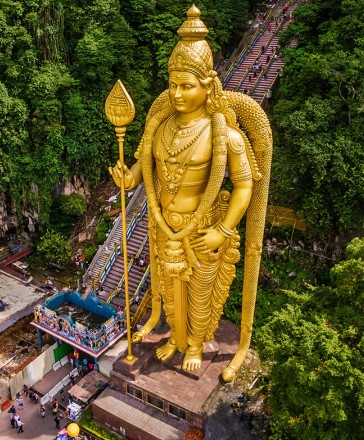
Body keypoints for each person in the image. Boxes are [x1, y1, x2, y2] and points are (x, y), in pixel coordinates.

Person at [108, 5, 271, 378]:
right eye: (173, 85)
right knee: (168, 289)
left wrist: (225, 229)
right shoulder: (159, 127)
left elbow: (245, 185)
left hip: (203, 228)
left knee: (199, 295)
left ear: (208, 85)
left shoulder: (224, 135)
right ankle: (174, 338)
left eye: (188, 86)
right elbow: (142, 169)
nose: (178, 94)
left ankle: (194, 344)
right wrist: (127, 178)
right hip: (165, 225)